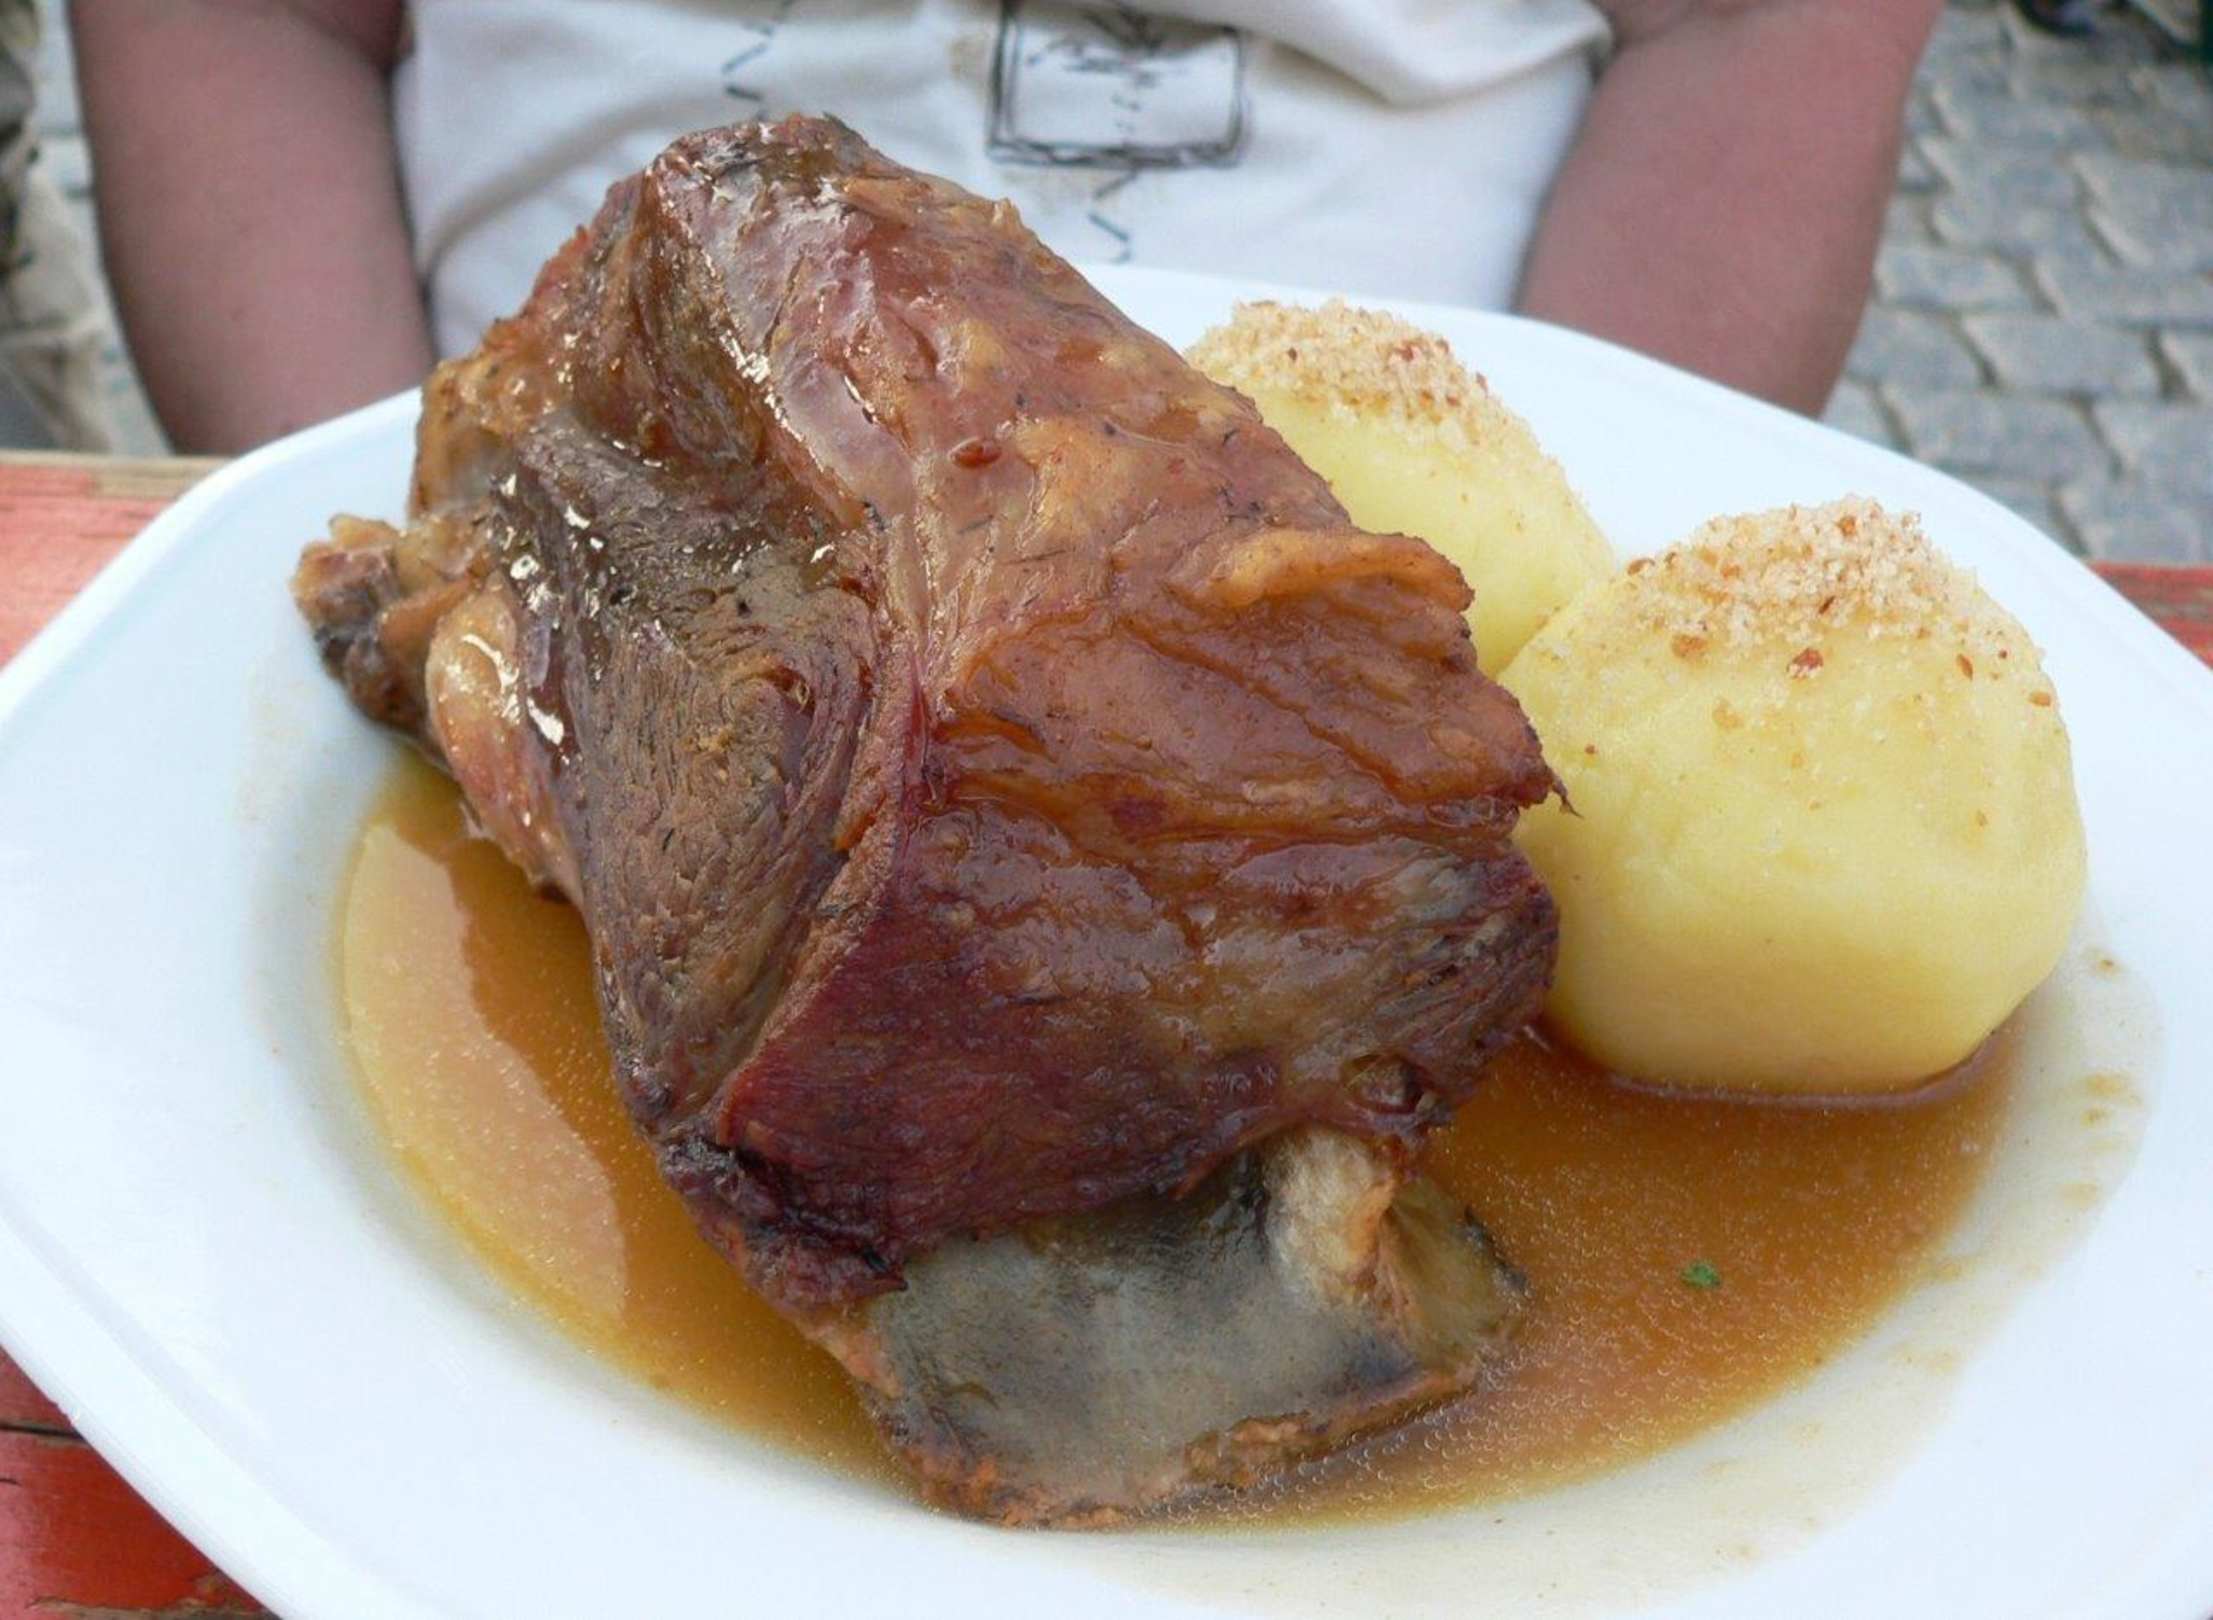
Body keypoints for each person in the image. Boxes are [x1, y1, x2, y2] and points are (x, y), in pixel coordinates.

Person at [72, 0, 1941, 455]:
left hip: (1436, 522)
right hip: (544, 481)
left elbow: (1758, 21)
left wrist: (1578, 574)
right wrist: (354, 522)